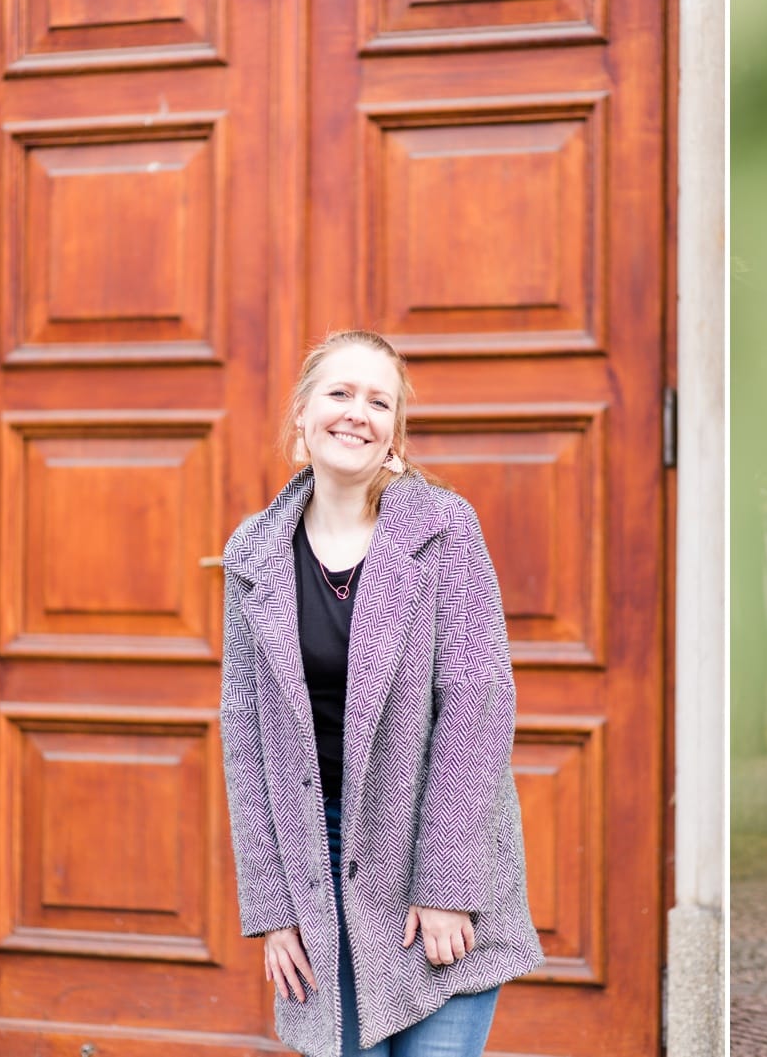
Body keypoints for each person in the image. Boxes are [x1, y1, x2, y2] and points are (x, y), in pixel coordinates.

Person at [220, 330, 543, 1057]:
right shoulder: (252, 553)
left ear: (394, 431)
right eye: (339, 393)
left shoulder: (443, 529)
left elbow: (477, 702)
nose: (356, 413)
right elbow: (242, 732)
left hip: (433, 852)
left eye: (378, 400)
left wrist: (447, 884)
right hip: (318, 866)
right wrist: (273, 907)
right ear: (301, 415)